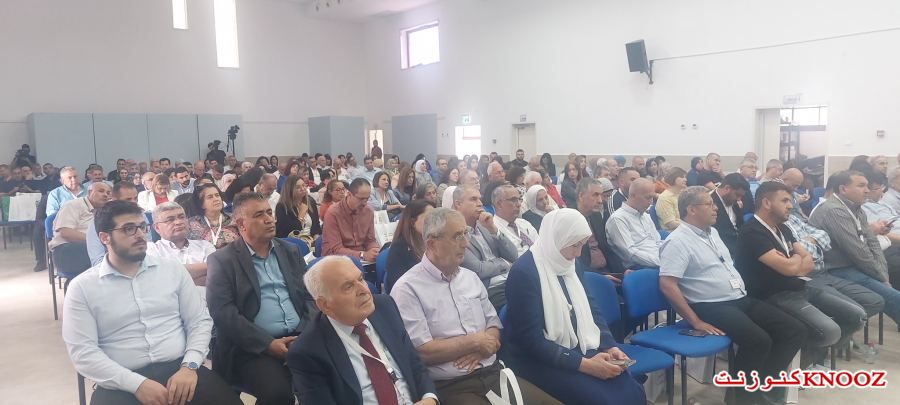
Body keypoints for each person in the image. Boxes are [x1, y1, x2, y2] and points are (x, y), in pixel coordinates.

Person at [62, 201, 241, 405]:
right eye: (128, 229)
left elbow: (199, 321)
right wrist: (137, 384)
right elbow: (83, 352)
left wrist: (190, 366)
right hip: (121, 380)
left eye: (142, 227)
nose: (140, 235)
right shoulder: (83, 287)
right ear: (104, 238)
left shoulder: (172, 270)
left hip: (180, 370)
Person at [390, 208, 560, 405]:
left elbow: (493, 324)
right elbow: (422, 351)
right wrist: (474, 342)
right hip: (451, 385)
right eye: (457, 236)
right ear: (432, 243)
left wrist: (483, 347)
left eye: (466, 233)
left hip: (494, 373)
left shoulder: (470, 278)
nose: (466, 243)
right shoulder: (408, 289)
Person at [658, 186, 806, 405]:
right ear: (691, 209)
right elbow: (667, 285)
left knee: (794, 330)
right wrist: (695, 321)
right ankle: (742, 399)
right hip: (710, 304)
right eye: (709, 204)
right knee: (758, 340)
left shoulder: (712, 233)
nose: (716, 208)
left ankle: (759, 387)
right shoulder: (677, 241)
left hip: (738, 297)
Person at [504, 209, 646, 404]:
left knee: (630, 388)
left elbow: (591, 307)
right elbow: (531, 340)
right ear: (557, 239)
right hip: (536, 358)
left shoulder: (570, 262)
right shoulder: (524, 272)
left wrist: (609, 344)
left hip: (575, 345)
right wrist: (586, 365)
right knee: (600, 398)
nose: (578, 253)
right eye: (574, 245)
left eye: (582, 245)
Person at [206, 192, 319, 405]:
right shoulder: (222, 260)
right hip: (251, 346)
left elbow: (310, 295)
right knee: (278, 394)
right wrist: (267, 344)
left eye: (269, 212)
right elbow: (223, 313)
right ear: (241, 224)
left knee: (337, 375)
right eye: (259, 215)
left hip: (300, 338)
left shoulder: (290, 250)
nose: (269, 219)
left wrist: (305, 333)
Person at [737, 181, 866, 367]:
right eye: (785, 201)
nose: (791, 205)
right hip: (773, 294)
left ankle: (807, 360)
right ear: (766, 203)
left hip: (801, 286)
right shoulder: (752, 232)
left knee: (857, 317)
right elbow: (791, 267)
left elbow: (809, 261)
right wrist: (796, 260)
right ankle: (801, 363)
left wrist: (793, 260)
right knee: (829, 332)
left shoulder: (783, 227)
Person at [288, 256, 438, 404]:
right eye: (348, 287)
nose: (364, 290)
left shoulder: (385, 307)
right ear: (325, 305)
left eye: (361, 279)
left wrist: (429, 398)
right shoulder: (308, 352)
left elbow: (414, 364)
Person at [809, 171, 900, 324]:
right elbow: (859, 252)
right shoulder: (834, 210)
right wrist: (882, 278)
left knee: (890, 292)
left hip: (851, 266)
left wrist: (883, 275)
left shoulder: (857, 209)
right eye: (861, 186)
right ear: (843, 189)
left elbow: (872, 242)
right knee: (893, 297)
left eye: (867, 186)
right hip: (833, 269)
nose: (867, 190)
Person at [451, 186, 518, 308]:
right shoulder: (455, 233)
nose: (480, 203)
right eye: (473, 199)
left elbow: (513, 255)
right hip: (490, 290)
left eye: (480, 199)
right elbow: (478, 270)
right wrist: (504, 263)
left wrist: (493, 229)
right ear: (458, 204)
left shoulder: (485, 225)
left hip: (510, 279)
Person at [145, 202, 216, 287]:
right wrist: (207, 267)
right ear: (157, 228)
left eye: (182, 217)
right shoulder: (151, 250)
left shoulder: (205, 246)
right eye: (170, 220)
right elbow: (158, 281)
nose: (178, 222)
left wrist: (172, 278)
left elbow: (216, 276)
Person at [50, 182, 113, 273]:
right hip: (68, 249)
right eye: (101, 191)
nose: (105, 195)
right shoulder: (73, 205)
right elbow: (65, 232)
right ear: (90, 192)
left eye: (108, 193)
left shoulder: (105, 210)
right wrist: (96, 242)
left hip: (92, 248)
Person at [605, 178, 662, 269]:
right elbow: (630, 253)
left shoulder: (645, 215)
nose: (651, 202)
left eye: (652, 198)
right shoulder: (618, 219)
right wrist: (660, 262)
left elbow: (657, 242)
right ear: (632, 196)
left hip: (657, 261)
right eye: (648, 197)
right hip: (639, 267)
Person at [322, 178, 380, 260]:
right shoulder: (333, 213)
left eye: (367, 198)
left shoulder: (368, 211)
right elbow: (336, 249)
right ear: (349, 194)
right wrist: (362, 255)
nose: (364, 203)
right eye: (361, 199)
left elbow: (370, 240)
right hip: (336, 259)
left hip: (361, 256)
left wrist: (375, 250)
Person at [385, 200, 436, 294]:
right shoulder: (400, 248)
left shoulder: (434, 243)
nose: (434, 223)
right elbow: (399, 286)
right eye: (429, 219)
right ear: (412, 222)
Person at [87, 182, 140, 265]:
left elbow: (150, 246)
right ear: (114, 200)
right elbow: (97, 261)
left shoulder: (141, 215)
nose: (134, 203)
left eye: (135, 198)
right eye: (128, 199)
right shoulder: (97, 222)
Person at [187, 184, 240, 249]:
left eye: (217, 195)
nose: (216, 199)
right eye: (210, 197)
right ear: (201, 204)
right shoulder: (192, 224)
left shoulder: (235, 219)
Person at [492, 184, 539, 257]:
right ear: (499, 204)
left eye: (519, 199)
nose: (519, 204)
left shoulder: (524, 223)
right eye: (513, 200)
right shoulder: (493, 229)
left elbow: (540, 245)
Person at [711, 173, 750, 256]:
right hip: (723, 250)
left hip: (739, 245)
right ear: (727, 188)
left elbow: (741, 227)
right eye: (737, 195)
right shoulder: (708, 203)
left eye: (741, 196)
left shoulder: (733, 202)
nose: (739, 199)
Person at [275, 173, 321, 240]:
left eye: (303, 185)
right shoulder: (282, 206)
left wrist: (316, 238)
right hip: (293, 242)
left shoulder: (311, 202)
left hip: (311, 240)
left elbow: (316, 225)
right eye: (298, 187)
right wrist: (301, 214)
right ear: (289, 190)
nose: (302, 189)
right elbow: (288, 232)